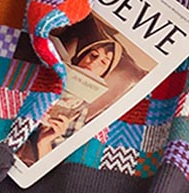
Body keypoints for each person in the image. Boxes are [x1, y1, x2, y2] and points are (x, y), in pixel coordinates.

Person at [16, 34, 124, 165]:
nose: (94, 62)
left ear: (104, 73)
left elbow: (51, 165)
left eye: (103, 62)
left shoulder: (81, 109)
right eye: (93, 55)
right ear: (83, 55)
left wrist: (44, 141)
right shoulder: (52, 68)